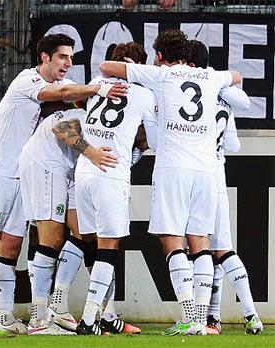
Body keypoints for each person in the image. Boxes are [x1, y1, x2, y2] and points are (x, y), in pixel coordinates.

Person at [0, 33, 127, 336]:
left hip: (23, 173)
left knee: (11, 245)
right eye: (62, 57)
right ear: (45, 58)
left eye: (71, 58)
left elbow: (64, 107)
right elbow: (61, 92)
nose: (68, 63)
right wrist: (98, 87)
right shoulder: (27, 81)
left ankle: (5, 318)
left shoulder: (54, 96)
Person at [99, 29, 241, 336]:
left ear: (160, 56)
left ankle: (189, 316)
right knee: (200, 238)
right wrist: (213, 76)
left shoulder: (160, 75)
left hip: (173, 168)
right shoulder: (210, 77)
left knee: (171, 239)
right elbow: (238, 76)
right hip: (206, 169)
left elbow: (105, 69)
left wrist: (132, 67)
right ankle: (202, 321)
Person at [53, 41, 158, 335]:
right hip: (111, 173)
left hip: (84, 172)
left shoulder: (96, 84)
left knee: (86, 238)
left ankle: (74, 307)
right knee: (109, 246)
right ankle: (88, 320)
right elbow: (156, 140)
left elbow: (66, 122)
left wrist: (90, 149)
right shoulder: (143, 93)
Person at [19, 106, 119, 335]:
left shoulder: (93, 120)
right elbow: (61, 128)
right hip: (47, 165)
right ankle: (38, 319)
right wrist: (92, 151)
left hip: (64, 170)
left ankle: (58, 308)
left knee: (82, 231)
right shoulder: (86, 117)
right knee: (51, 239)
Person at [189, 40, 263, 335]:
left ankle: (204, 318)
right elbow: (234, 142)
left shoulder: (191, 95)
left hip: (196, 173)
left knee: (204, 249)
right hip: (218, 175)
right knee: (223, 248)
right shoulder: (222, 95)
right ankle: (241, 316)